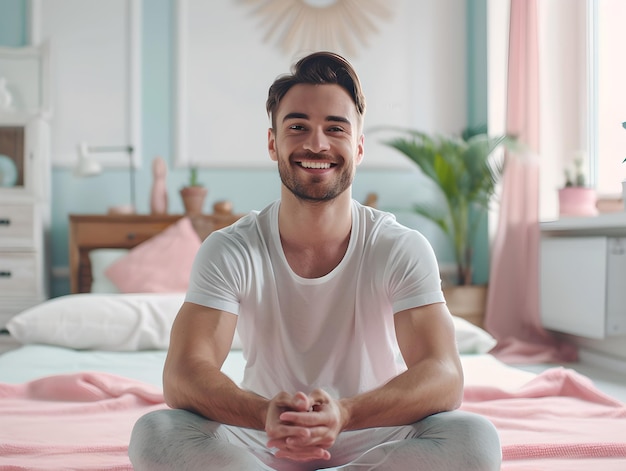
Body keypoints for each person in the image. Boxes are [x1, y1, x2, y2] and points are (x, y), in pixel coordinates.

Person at [129, 51, 501, 471]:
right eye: (298, 127)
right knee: (155, 432)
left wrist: (346, 413)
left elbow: (444, 374)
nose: (316, 143)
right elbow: (183, 372)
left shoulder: (400, 247)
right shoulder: (230, 249)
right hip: (261, 444)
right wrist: (264, 413)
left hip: (374, 440)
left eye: (335, 129)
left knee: (474, 439)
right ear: (273, 143)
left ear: (358, 147)